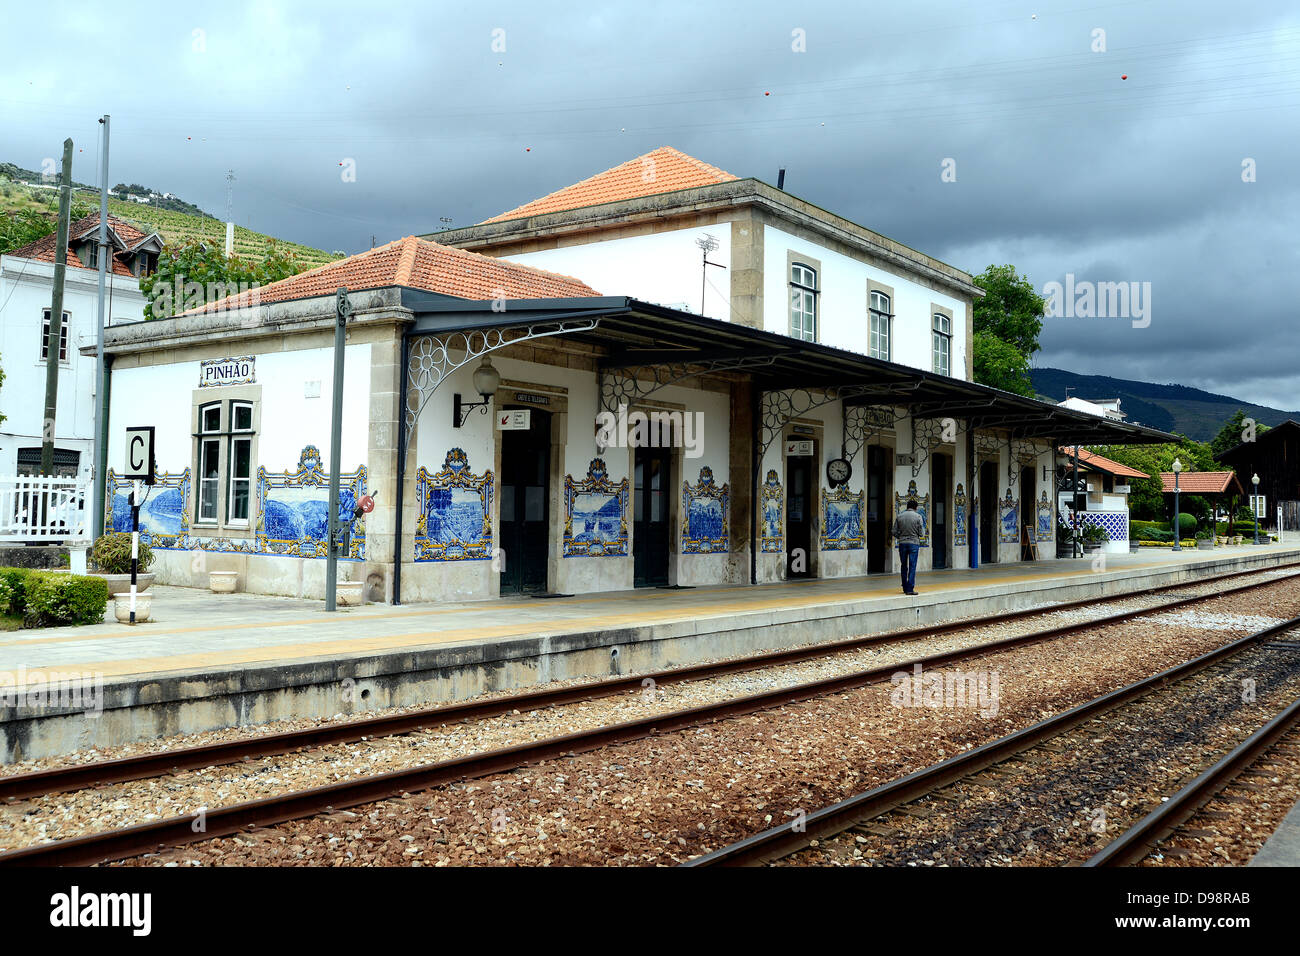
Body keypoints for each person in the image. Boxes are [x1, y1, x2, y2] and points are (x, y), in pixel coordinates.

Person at [891, 498, 925, 595]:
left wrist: (900, 536)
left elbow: (893, 531)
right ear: (915, 507)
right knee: (912, 566)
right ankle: (910, 589)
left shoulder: (899, 516)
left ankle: (905, 587)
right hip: (914, 543)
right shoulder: (918, 517)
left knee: (903, 566)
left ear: (907, 507)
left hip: (902, 543)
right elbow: (921, 533)